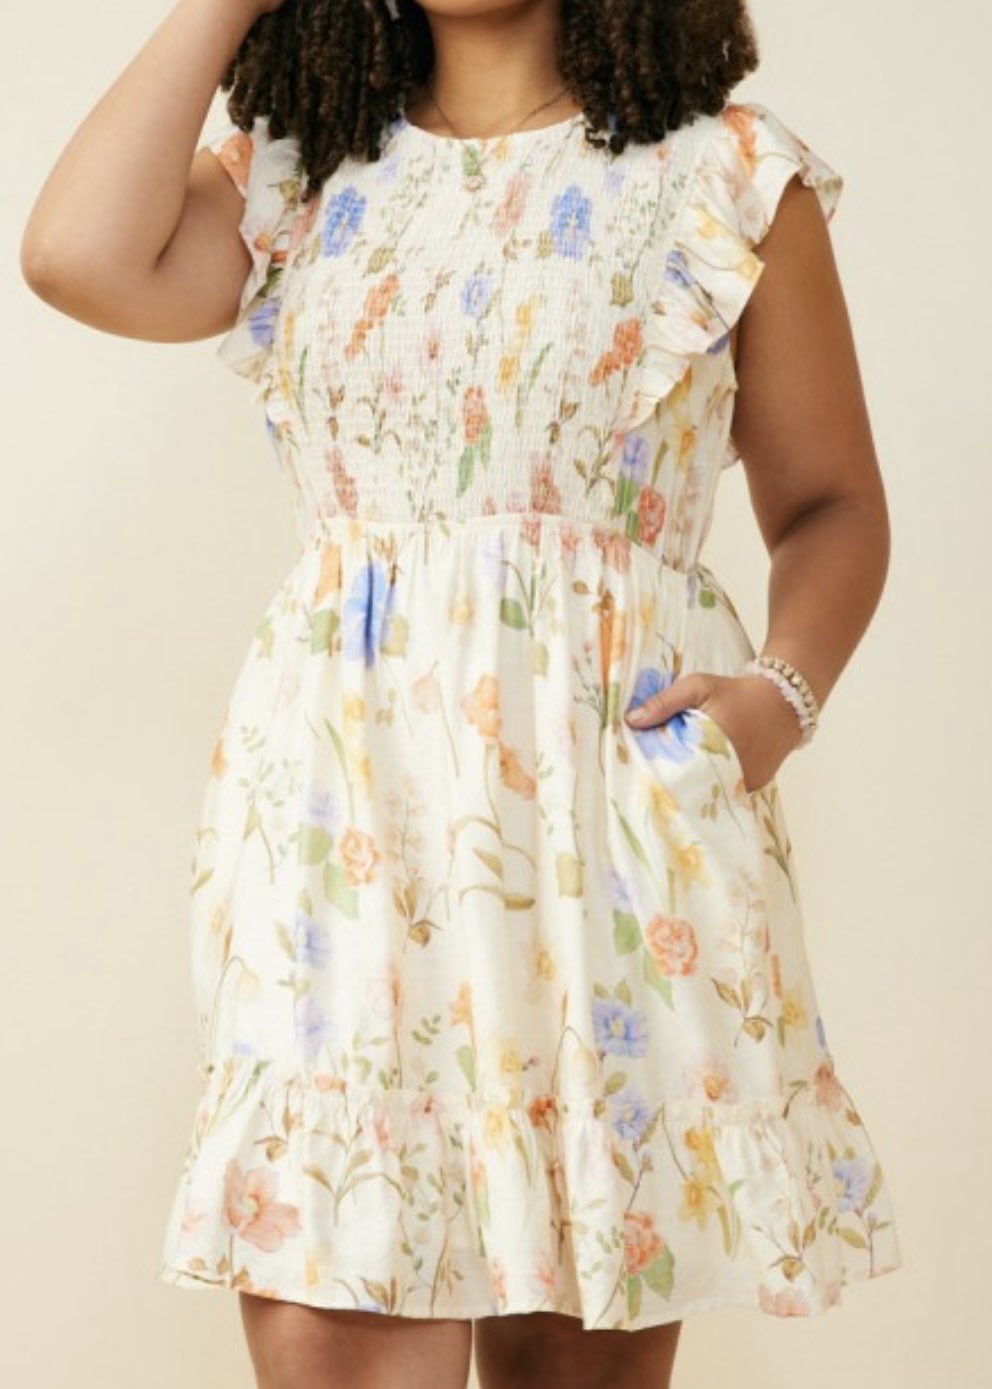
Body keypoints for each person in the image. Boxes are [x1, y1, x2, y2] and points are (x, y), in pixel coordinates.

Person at [20, 0, 904, 1385]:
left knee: (573, 1352)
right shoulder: (301, 171)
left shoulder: (726, 176)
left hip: (609, 835)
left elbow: (834, 503)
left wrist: (777, 703)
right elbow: (74, 255)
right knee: (332, 1318)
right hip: (342, 830)